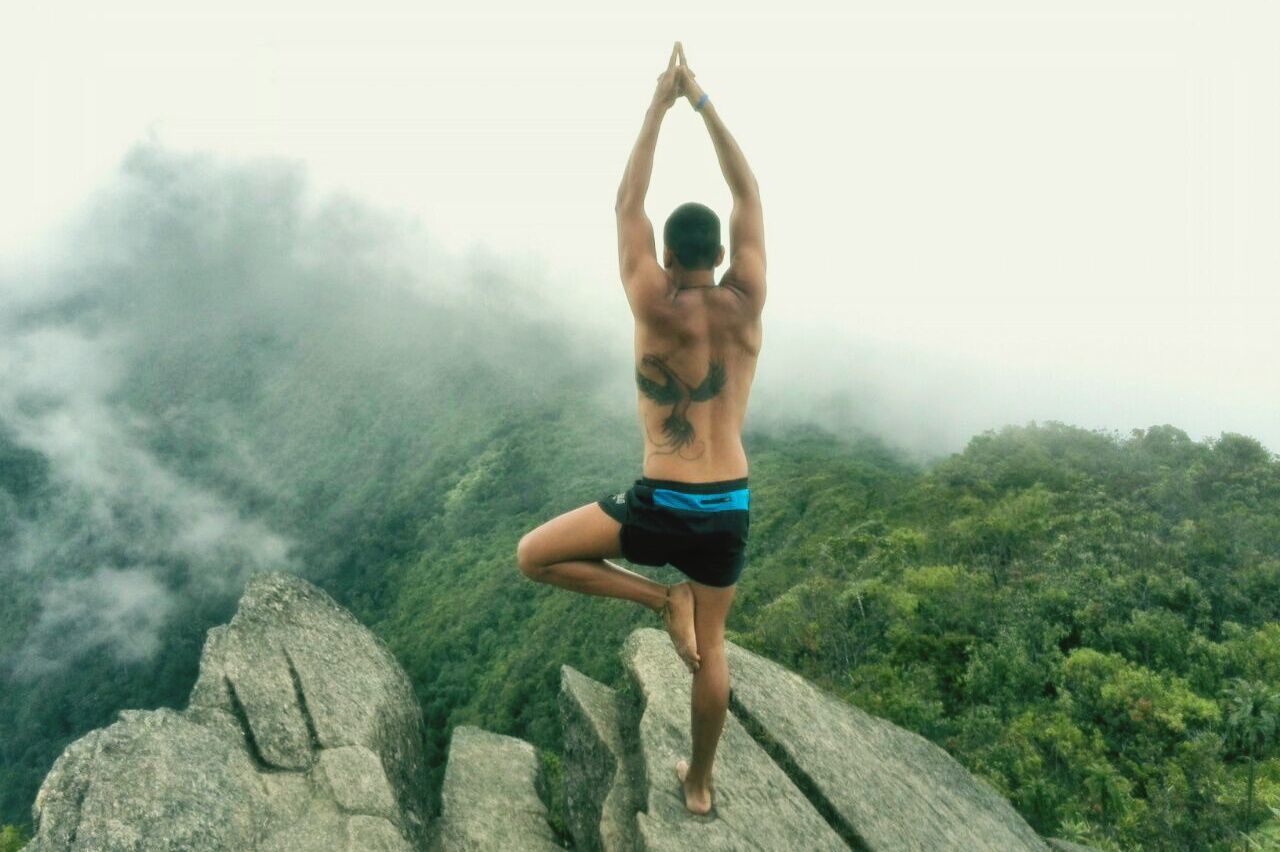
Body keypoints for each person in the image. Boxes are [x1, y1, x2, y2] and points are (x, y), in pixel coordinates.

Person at [515, 41, 765, 817]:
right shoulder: (747, 299)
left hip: (660, 500)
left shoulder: (652, 301)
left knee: (534, 557)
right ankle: (698, 783)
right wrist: (702, 103)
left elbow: (628, 203)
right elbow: (747, 191)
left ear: (665, 253)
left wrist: (657, 102)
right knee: (714, 653)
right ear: (721, 253)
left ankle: (657, 602)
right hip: (727, 501)